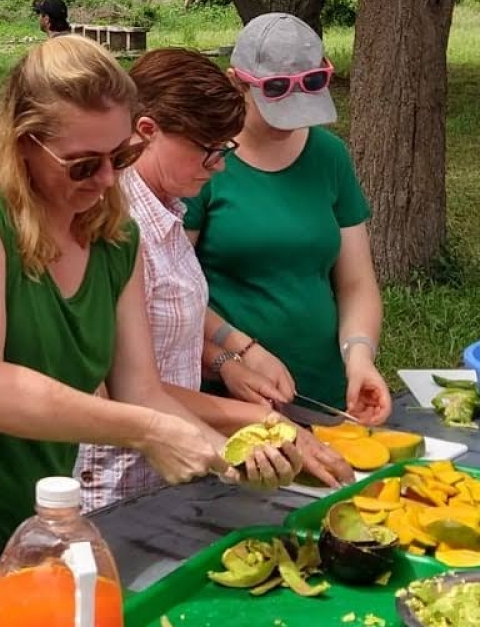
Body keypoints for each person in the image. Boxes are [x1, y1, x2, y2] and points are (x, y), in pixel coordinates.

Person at [0, 35, 297, 569]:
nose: (109, 179)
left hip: (34, 523)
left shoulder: (116, 239)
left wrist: (228, 448)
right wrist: (152, 431)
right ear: (24, 142)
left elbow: (138, 388)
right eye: (83, 165)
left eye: (121, 156)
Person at [74, 48, 355, 511]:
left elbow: (163, 327)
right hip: (116, 491)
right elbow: (124, 385)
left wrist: (229, 359)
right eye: (210, 152)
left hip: (170, 481)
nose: (220, 166)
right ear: (147, 132)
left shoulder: (167, 209)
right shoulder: (118, 229)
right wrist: (258, 421)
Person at [185, 13, 391, 422]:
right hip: (231, 395)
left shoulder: (330, 156)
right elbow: (175, 291)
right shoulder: (203, 162)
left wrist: (359, 356)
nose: (294, 121)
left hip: (326, 393)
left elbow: (355, 282)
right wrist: (239, 353)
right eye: (275, 102)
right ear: (236, 83)